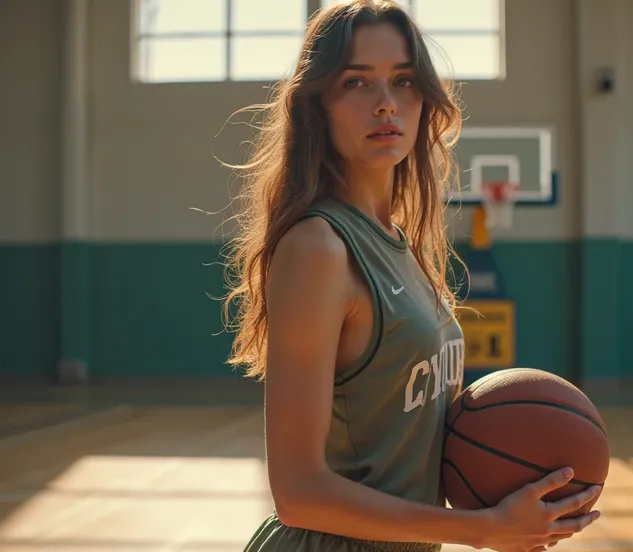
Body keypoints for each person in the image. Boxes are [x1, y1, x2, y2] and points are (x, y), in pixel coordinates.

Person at [222, 1, 602, 551]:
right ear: (319, 104)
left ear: (424, 100)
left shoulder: (402, 243)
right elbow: (297, 491)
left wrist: (522, 477)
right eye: (357, 82)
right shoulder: (319, 247)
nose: (385, 103)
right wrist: (483, 531)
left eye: (403, 81)